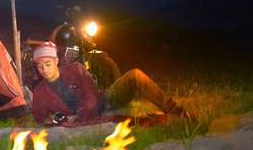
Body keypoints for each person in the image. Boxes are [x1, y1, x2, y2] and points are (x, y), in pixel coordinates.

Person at [31, 41, 194, 124]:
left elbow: (92, 96)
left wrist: (77, 115)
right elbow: (40, 116)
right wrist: (49, 121)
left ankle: (178, 112)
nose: (44, 69)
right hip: (99, 116)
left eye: (48, 64)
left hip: (106, 100)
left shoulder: (75, 69)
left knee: (135, 75)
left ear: (56, 60)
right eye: (40, 66)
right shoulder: (40, 91)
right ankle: (160, 117)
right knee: (137, 117)